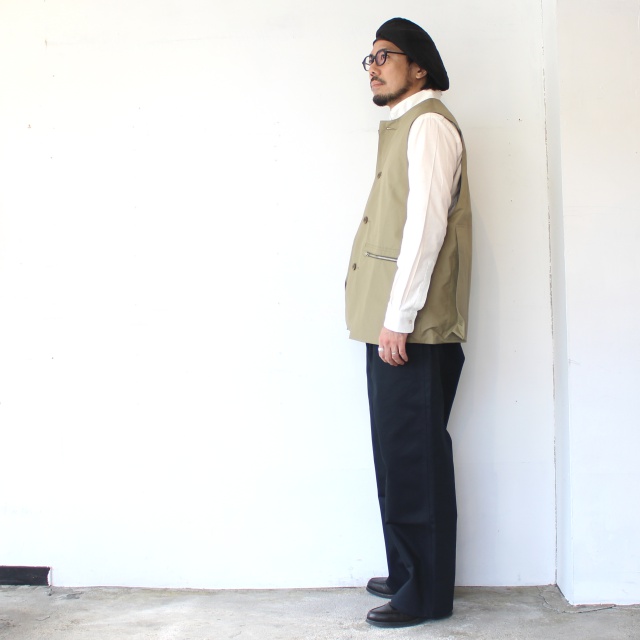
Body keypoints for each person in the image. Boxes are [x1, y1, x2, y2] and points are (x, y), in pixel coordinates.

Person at [345, 17, 472, 628]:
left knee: (415, 459)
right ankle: (406, 571)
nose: (373, 66)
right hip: (392, 325)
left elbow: (425, 229)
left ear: (419, 67)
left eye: (385, 55)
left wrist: (398, 319)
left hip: (411, 328)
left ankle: (425, 594)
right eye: (368, 58)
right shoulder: (403, 123)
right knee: (396, 454)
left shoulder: (428, 125)